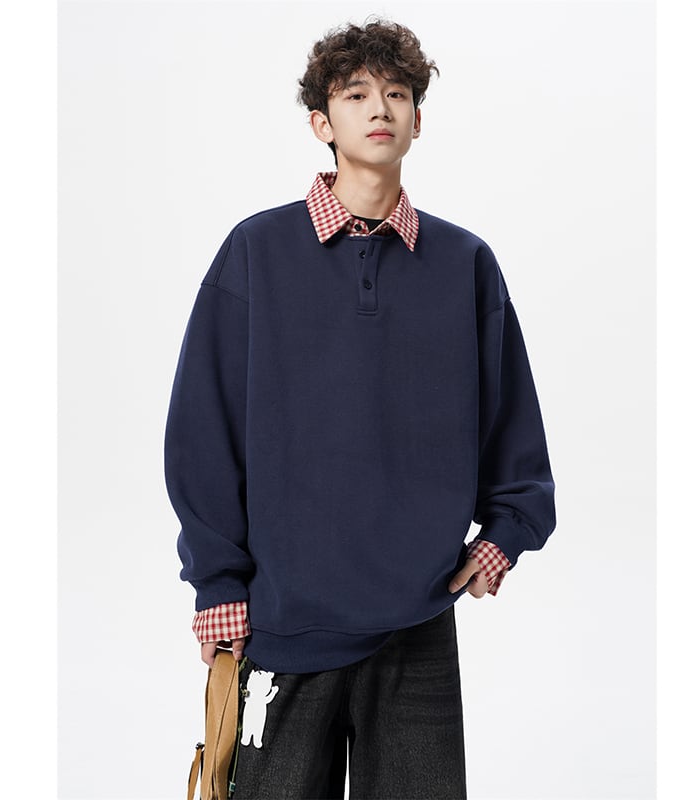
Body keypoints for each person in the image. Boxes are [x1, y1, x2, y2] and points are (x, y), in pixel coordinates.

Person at [164, 15, 556, 799]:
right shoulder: (257, 251)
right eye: (356, 94)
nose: (380, 108)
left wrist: (503, 538)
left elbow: (514, 427)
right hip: (281, 621)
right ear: (322, 122)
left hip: (417, 622)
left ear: (418, 120)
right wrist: (219, 585)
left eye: (398, 94)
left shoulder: (465, 264)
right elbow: (203, 430)